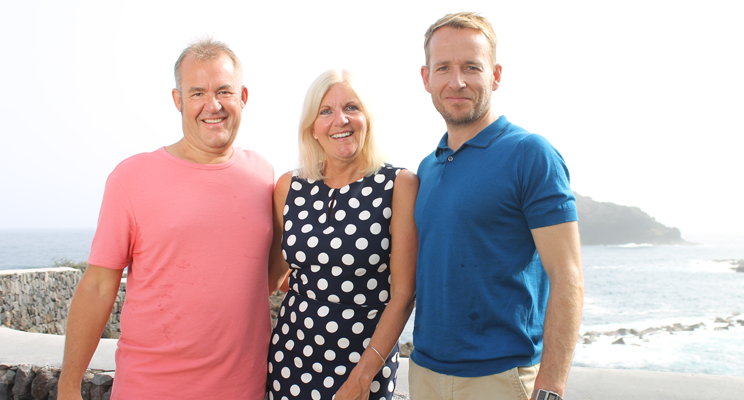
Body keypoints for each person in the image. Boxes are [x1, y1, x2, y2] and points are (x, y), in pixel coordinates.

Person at [57, 38, 274, 400]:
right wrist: (68, 386)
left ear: (243, 96)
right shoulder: (131, 178)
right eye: (197, 93)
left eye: (224, 91)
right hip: (150, 389)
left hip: (245, 391)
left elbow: (265, 274)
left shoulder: (264, 175)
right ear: (178, 100)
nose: (213, 105)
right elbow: (97, 287)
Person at [409, 12, 584, 400]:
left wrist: (550, 389)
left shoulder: (530, 153)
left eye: (471, 67)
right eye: (443, 68)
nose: (457, 81)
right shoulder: (427, 168)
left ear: (496, 75)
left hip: (501, 379)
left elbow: (568, 276)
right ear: (426, 78)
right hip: (423, 374)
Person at [266, 69, 419, 400]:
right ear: (312, 128)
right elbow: (271, 278)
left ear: (367, 119)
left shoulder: (399, 185)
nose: (340, 120)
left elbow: (404, 293)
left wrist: (362, 378)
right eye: (326, 111)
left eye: (351, 107)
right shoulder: (288, 187)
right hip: (289, 362)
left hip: (364, 372)